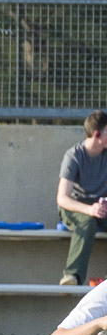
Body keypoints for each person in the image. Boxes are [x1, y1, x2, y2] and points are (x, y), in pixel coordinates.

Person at [56, 111, 107, 286]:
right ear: (97, 134)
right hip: (75, 208)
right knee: (87, 222)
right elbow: (62, 198)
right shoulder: (74, 156)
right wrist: (89, 209)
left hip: (101, 207)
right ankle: (72, 276)